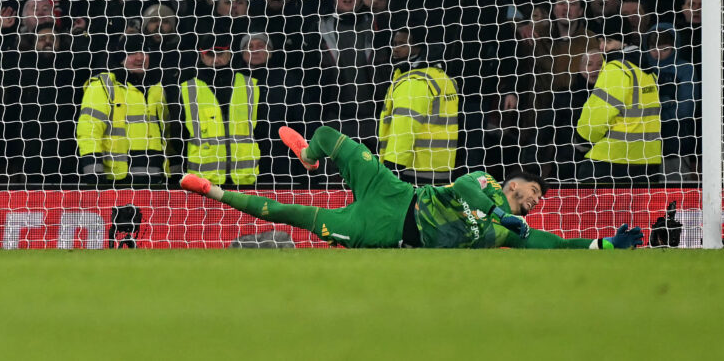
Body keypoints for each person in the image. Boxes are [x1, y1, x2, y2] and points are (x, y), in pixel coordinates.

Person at [181, 125, 642, 249]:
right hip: (396, 193)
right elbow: (468, 191)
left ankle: (213, 191)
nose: (538, 199)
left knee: (290, 214)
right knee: (326, 137)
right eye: (535, 190)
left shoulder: (510, 232)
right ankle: (308, 159)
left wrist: (603, 244)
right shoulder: (485, 183)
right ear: (514, 184)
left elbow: (550, 243)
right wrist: (502, 214)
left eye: (541, 198)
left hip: (382, 231)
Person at [170, 37, 262, 187]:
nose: (216, 59)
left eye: (220, 54)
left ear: (230, 54)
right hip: (203, 181)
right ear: (201, 56)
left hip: (246, 179)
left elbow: (262, 133)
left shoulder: (251, 85)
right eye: (210, 54)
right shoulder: (186, 89)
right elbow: (177, 136)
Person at [77, 40, 167, 185]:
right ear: (120, 58)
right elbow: (89, 131)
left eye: (144, 51)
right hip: (116, 180)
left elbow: (168, 134)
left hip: (155, 179)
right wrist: (94, 173)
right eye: (132, 52)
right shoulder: (103, 86)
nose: (140, 57)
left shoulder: (158, 89)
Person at [574, 48, 663, 183]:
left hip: (612, 160)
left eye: (607, 40)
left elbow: (596, 121)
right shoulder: (647, 73)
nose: (601, 44)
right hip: (648, 160)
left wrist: (582, 138)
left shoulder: (616, 69)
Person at [376, 51, 459, 184]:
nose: (395, 49)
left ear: (419, 48)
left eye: (403, 44)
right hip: (442, 171)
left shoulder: (414, 82)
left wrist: (391, 170)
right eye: (395, 43)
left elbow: (404, 130)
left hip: (412, 171)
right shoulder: (444, 79)